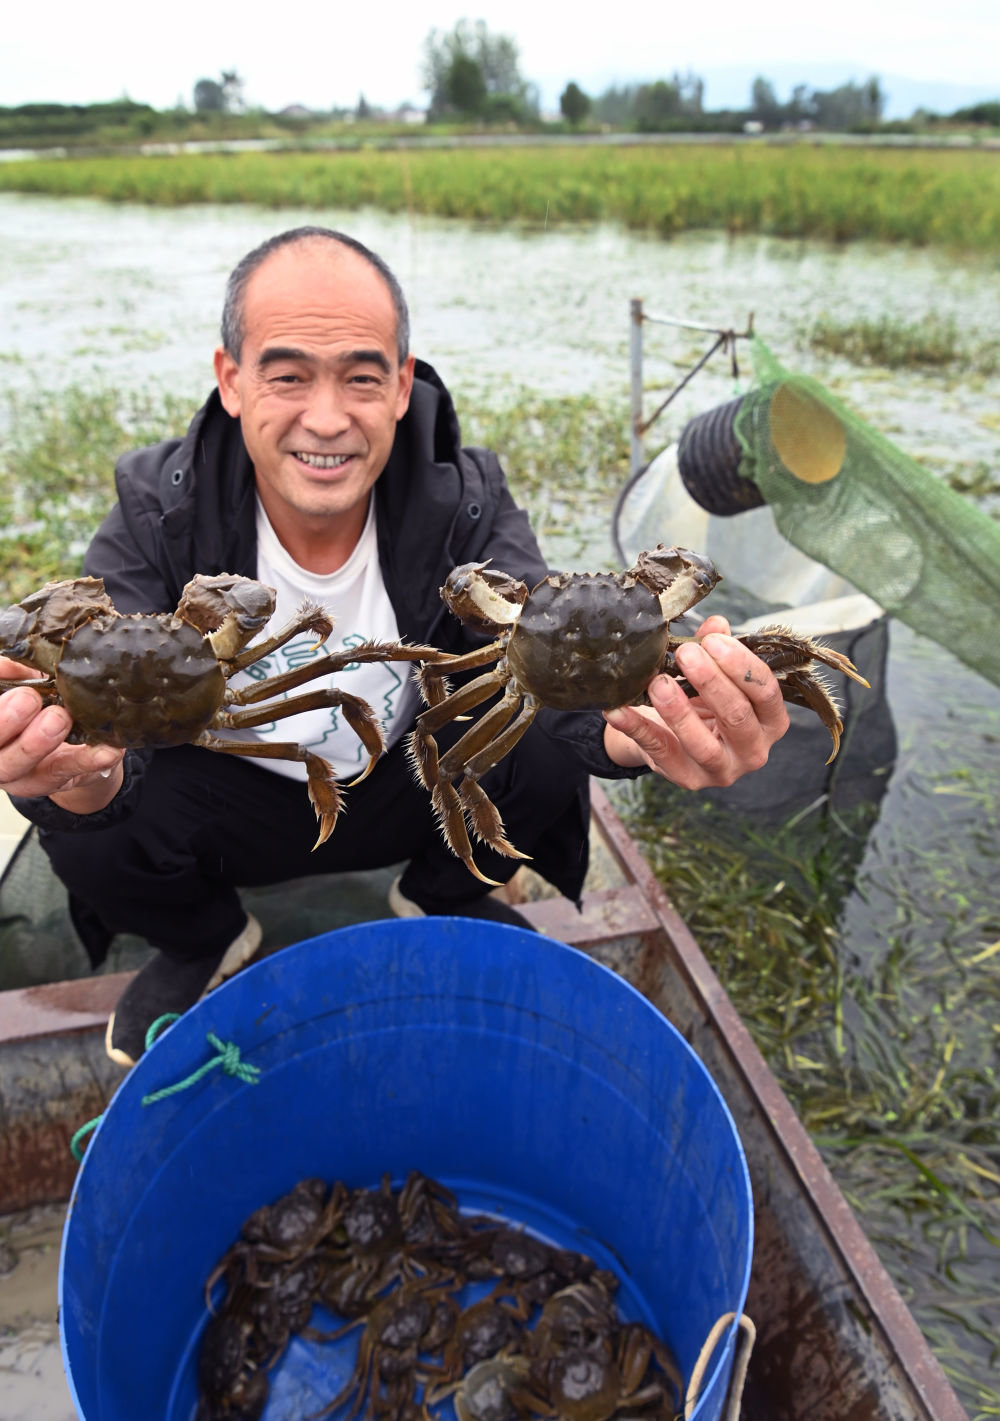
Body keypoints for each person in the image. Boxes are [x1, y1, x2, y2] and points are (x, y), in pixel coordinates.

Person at [0, 227, 790, 1067]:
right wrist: (78, 774)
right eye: (289, 374)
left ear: (404, 385)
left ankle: (444, 893)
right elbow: (100, 662)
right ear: (231, 380)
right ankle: (203, 937)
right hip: (222, 807)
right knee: (75, 792)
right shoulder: (160, 508)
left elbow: (545, 641)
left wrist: (634, 730)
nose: (329, 417)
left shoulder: (467, 501)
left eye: (363, 377)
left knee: (540, 724)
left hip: (412, 797)